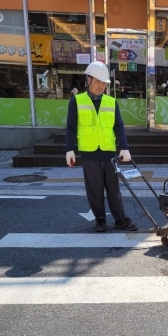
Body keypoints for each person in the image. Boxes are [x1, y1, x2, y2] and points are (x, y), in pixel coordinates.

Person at [65, 60, 138, 233]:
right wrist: (69, 149)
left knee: (114, 190)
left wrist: (124, 147)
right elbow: (70, 127)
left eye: (104, 83)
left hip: (109, 154)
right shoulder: (76, 101)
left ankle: (120, 219)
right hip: (89, 154)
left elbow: (118, 126)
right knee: (95, 191)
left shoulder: (111, 102)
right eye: (98, 82)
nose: (101, 86)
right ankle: (100, 219)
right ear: (88, 80)